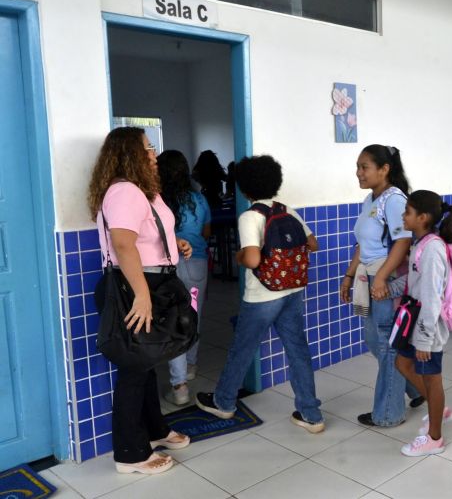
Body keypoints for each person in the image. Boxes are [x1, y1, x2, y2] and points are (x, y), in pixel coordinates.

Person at [87, 127, 193, 474]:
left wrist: (173, 246)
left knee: (147, 363)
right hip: (134, 287)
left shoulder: (143, 191)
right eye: (147, 149)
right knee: (134, 370)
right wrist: (142, 296)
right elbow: (122, 244)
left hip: (150, 281)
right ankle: (130, 455)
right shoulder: (124, 191)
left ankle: (155, 430)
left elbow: (145, 236)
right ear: (128, 154)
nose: (153, 154)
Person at [195, 155, 324, 433]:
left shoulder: (250, 216)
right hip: (292, 290)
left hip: (263, 295)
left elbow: (253, 259)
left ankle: (224, 402)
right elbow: (313, 244)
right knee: (298, 350)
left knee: (243, 348)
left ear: (244, 188)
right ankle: (311, 414)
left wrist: (239, 256)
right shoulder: (287, 210)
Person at [340, 145, 422, 427]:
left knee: (388, 346)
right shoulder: (371, 199)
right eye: (358, 167)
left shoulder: (394, 200)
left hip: (386, 280)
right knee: (376, 342)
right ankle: (416, 388)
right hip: (370, 277)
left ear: (384, 169)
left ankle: (388, 413)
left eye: (364, 167)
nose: (358, 173)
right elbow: (363, 244)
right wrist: (349, 275)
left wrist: (382, 278)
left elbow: (403, 241)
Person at [390, 191, 452, 456]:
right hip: (416, 321)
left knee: (432, 379)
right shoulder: (421, 243)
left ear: (423, 217)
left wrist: (424, 340)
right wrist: (389, 288)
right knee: (403, 363)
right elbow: (415, 281)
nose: (403, 216)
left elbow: (431, 298)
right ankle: (438, 411)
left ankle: (435, 439)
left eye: (407, 211)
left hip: (427, 327)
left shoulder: (432, 249)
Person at [157, 150, 211, 405]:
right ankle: (190, 366)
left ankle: (179, 386)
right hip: (196, 264)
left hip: (167, 267)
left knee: (173, 322)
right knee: (193, 316)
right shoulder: (199, 198)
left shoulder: (158, 201)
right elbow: (206, 232)